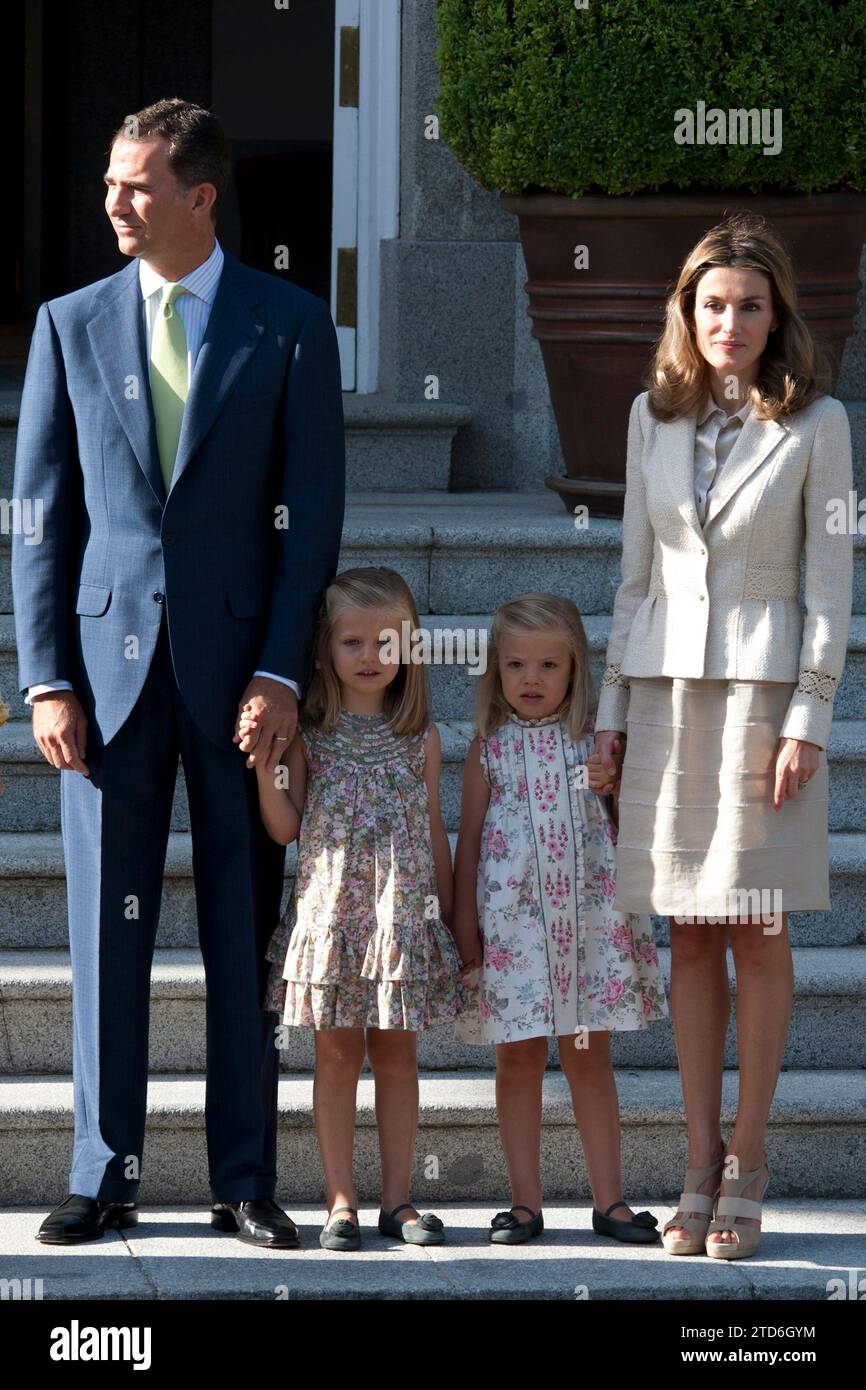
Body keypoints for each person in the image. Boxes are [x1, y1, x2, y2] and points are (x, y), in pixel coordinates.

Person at [11, 99, 345, 1246]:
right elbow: (41, 519)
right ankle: (104, 1174)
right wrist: (45, 676)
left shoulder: (291, 323)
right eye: (110, 180)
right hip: (104, 685)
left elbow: (312, 528)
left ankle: (244, 1179)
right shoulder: (68, 323)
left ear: (200, 198)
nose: (112, 200)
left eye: (136, 185)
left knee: (242, 934)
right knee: (110, 931)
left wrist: (281, 674)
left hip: (239, 681)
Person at [589, 212, 854, 1259]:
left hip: (760, 706)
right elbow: (632, 577)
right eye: (711, 304)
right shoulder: (648, 419)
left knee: (757, 927)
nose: (729, 322)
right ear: (684, 313)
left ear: (775, 312)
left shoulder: (818, 424)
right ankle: (696, 1164)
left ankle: (748, 1160)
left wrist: (809, 718)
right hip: (662, 700)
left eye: (749, 305)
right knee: (687, 933)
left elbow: (830, 592)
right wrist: (607, 721)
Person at [245, 567, 465, 1249]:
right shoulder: (311, 736)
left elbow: (433, 831)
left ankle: (398, 1201)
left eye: (386, 643)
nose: (371, 658)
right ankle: (340, 1199)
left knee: (398, 1059)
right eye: (353, 643)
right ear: (322, 652)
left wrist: (453, 922)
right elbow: (285, 828)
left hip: (401, 925)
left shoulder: (420, 737)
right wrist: (264, 768)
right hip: (334, 920)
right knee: (336, 1059)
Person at [452, 593, 668, 1244]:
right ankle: (525, 1203)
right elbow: (466, 845)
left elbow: (631, 830)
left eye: (550, 665)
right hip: (513, 940)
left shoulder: (593, 747)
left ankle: (610, 1202)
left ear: (575, 669)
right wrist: (467, 941)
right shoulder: (487, 750)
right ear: (497, 671)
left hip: (588, 938)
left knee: (589, 1059)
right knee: (516, 1063)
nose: (532, 679)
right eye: (516, 665)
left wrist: (615, 784)